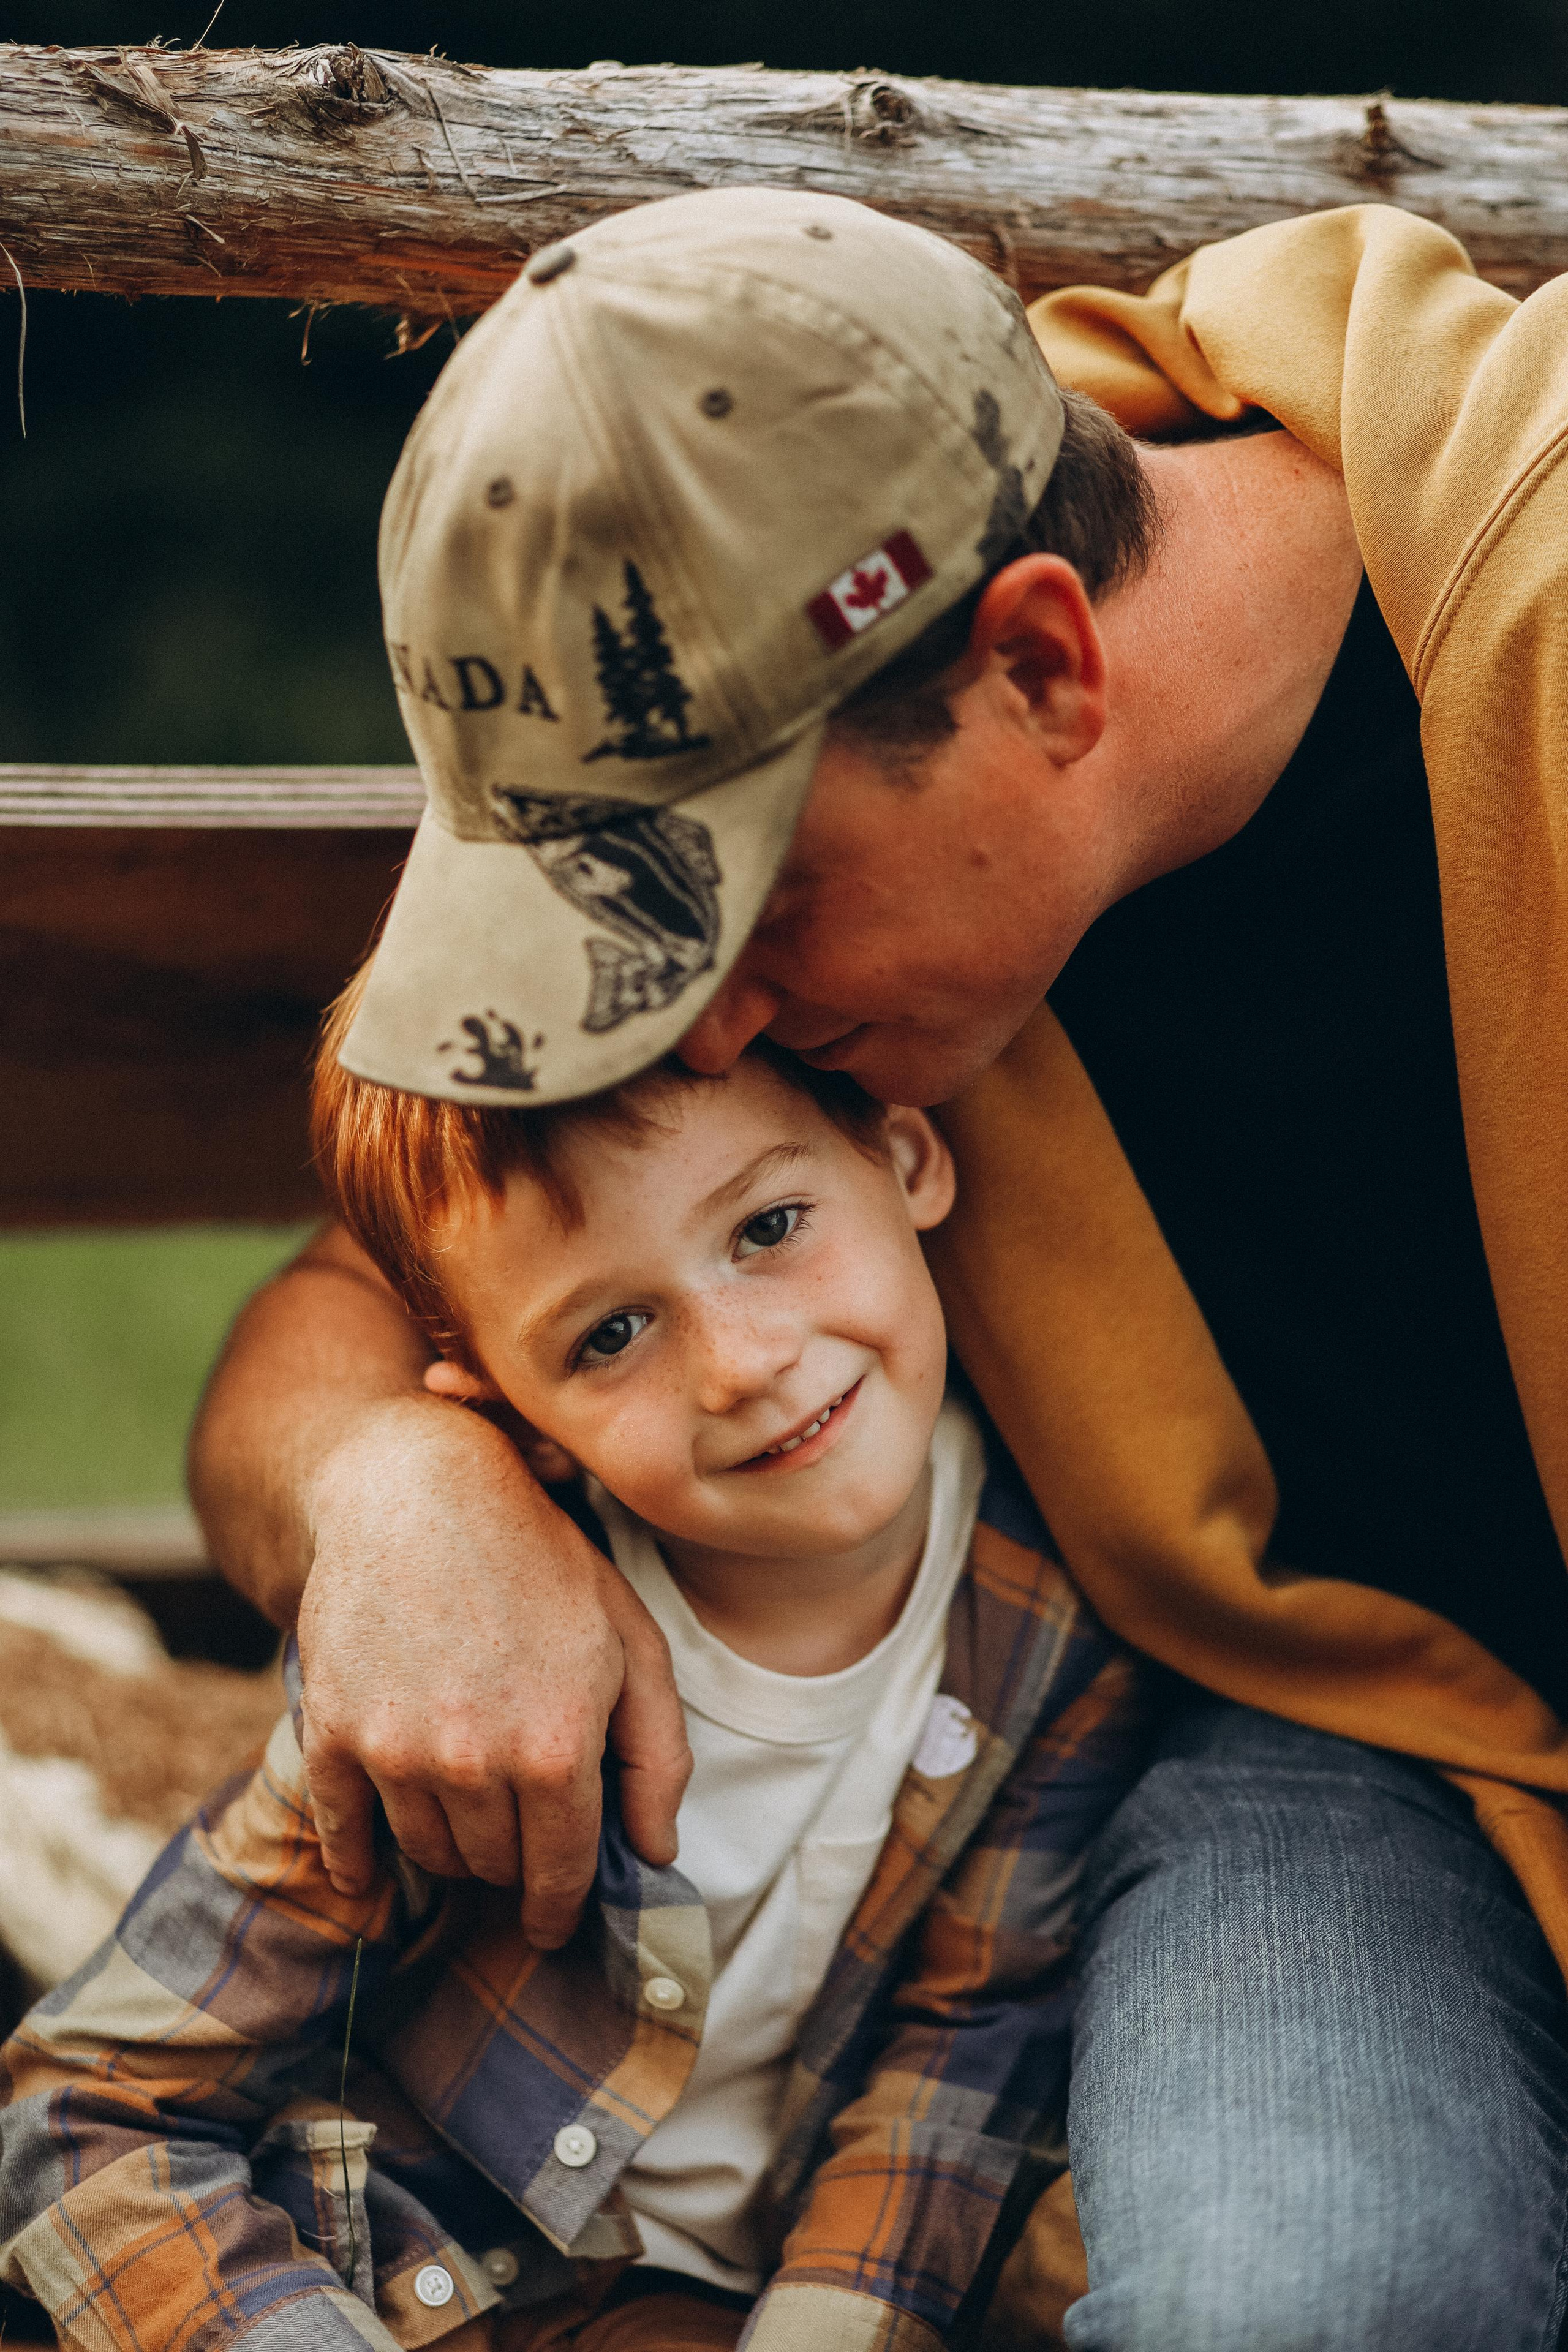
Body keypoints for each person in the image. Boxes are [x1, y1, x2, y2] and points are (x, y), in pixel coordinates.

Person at [188, 188, 1568, 2346]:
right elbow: (363, 1307)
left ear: (1040, 660)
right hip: (1341, 1745)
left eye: (748, 912)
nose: (704, 1033)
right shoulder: (832, 926)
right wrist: (392, 1487)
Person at [0, 1011, 1141, 2352]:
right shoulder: (465, 1670)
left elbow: (962, 2045)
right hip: (380, 2278)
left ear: (902, 1155)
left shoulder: (1056, 1609)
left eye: (767, 1227)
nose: (742, 1364)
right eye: (610, 1334)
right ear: (499, 1406)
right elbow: (86, 2109)